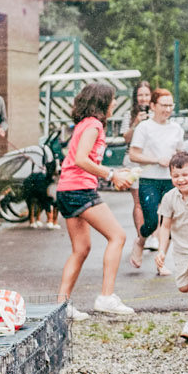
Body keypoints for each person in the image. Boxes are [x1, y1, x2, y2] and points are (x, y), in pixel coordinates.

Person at [54, 81, 136, 321]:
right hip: (79, 190)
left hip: (67, 190)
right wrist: (111, 175)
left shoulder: (85, 124)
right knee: (118, 236)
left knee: (81, 249)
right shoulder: (93, 125)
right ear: (102, 102)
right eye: (112, 99)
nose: (115, 103)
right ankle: (106, 297)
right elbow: (81, 159)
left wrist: (114, 173)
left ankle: (61, 305)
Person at [149, 151, 188, 342]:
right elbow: (165, 227)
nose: (181, 179)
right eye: (176, 176)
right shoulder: (169, 198)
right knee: (184, 287)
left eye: (185, 174)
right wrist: (161, 251)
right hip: (180, 250)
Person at [127, 87, 180, 273]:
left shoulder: (176, 129)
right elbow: (134, 154)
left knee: (168, 222)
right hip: (149, 179)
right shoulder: (144, 127)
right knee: (151, 221)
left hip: (169, 180)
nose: (167, 109)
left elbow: (180, 153)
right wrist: (156, 160)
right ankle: (140, 241)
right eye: (163, 105)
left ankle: (161, 263)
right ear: (153, 106)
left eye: (170, 105)